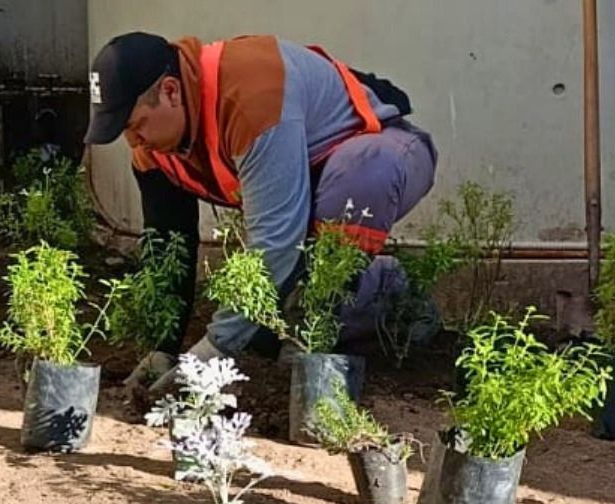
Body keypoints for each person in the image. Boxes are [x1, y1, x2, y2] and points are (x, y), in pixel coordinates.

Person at [84, 31, 438, 394]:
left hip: (385, 152)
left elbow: (277, 237)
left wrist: (216, 347)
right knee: (260, 336)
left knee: (363, 175)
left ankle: (386, 297)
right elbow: (168, 245)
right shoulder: (154, 146)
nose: (134, 141)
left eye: (135, 124)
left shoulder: (250, 94)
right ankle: (315, 314)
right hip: (308, 189)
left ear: (172, 91)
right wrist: (163, 347)